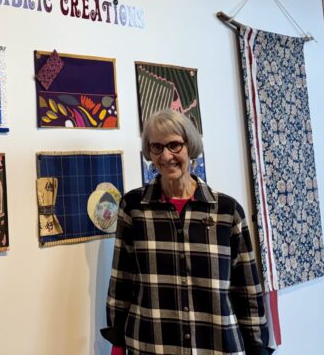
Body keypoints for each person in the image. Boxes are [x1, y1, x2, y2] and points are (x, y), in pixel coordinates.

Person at [101, 109, 271, 355]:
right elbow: (121, 280)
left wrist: (257, 345)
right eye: (157, 147)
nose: (166, 155)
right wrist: (117, 344)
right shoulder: (133, 208)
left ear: (189, 146)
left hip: (216, 344)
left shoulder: (227, 211)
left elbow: (247, 289)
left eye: (174, 145)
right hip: (151, 343)